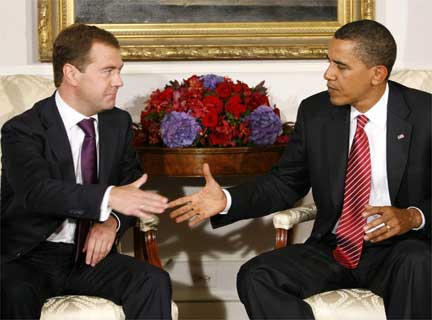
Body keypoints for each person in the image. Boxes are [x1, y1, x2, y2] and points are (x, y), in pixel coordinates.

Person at [169, 19, 431, 319]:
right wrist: (227, 201)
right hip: (334, 247)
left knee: (418, 260)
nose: (328, 74)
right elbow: (285, 183)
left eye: (341, 66)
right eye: (329, 62)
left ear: (377, 74)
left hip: (398, 251)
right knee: (257, 276)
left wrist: (412, 216)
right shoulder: (317, 111)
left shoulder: (425, 115)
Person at [1, 24, 172, 319]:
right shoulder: (23, 130)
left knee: (153, 280)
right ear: (71, 74)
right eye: (108, 71)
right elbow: (36, 192)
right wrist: (108, 198)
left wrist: (112, 223)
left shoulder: (117, 124)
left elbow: (130, 191)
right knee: (13, 293)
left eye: (119, 70)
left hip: (88, 256)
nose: (118, 81)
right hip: (26, 256)